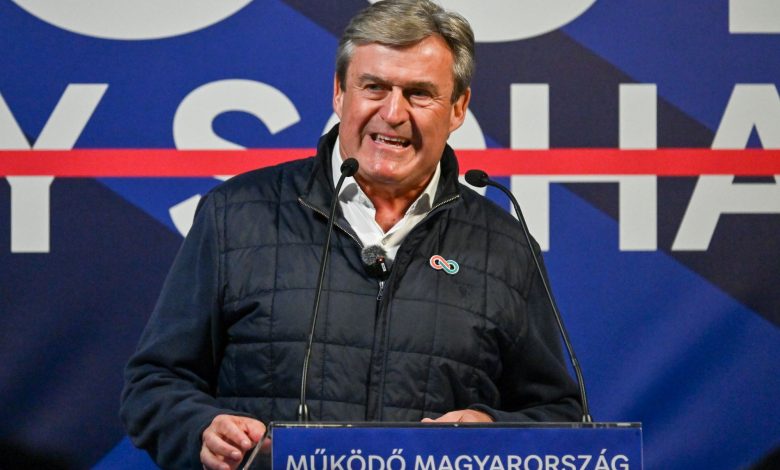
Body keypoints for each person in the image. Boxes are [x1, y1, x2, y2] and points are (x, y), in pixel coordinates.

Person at [120, 1, 582, 469]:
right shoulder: (235, 214)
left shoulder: (505, 246)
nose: (393, 113)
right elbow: (154, 383)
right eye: (374, 87)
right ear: (340, 93)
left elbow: (559, 415)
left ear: (458, 107)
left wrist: (491, 429)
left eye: (419, 93)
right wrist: (201, 428)